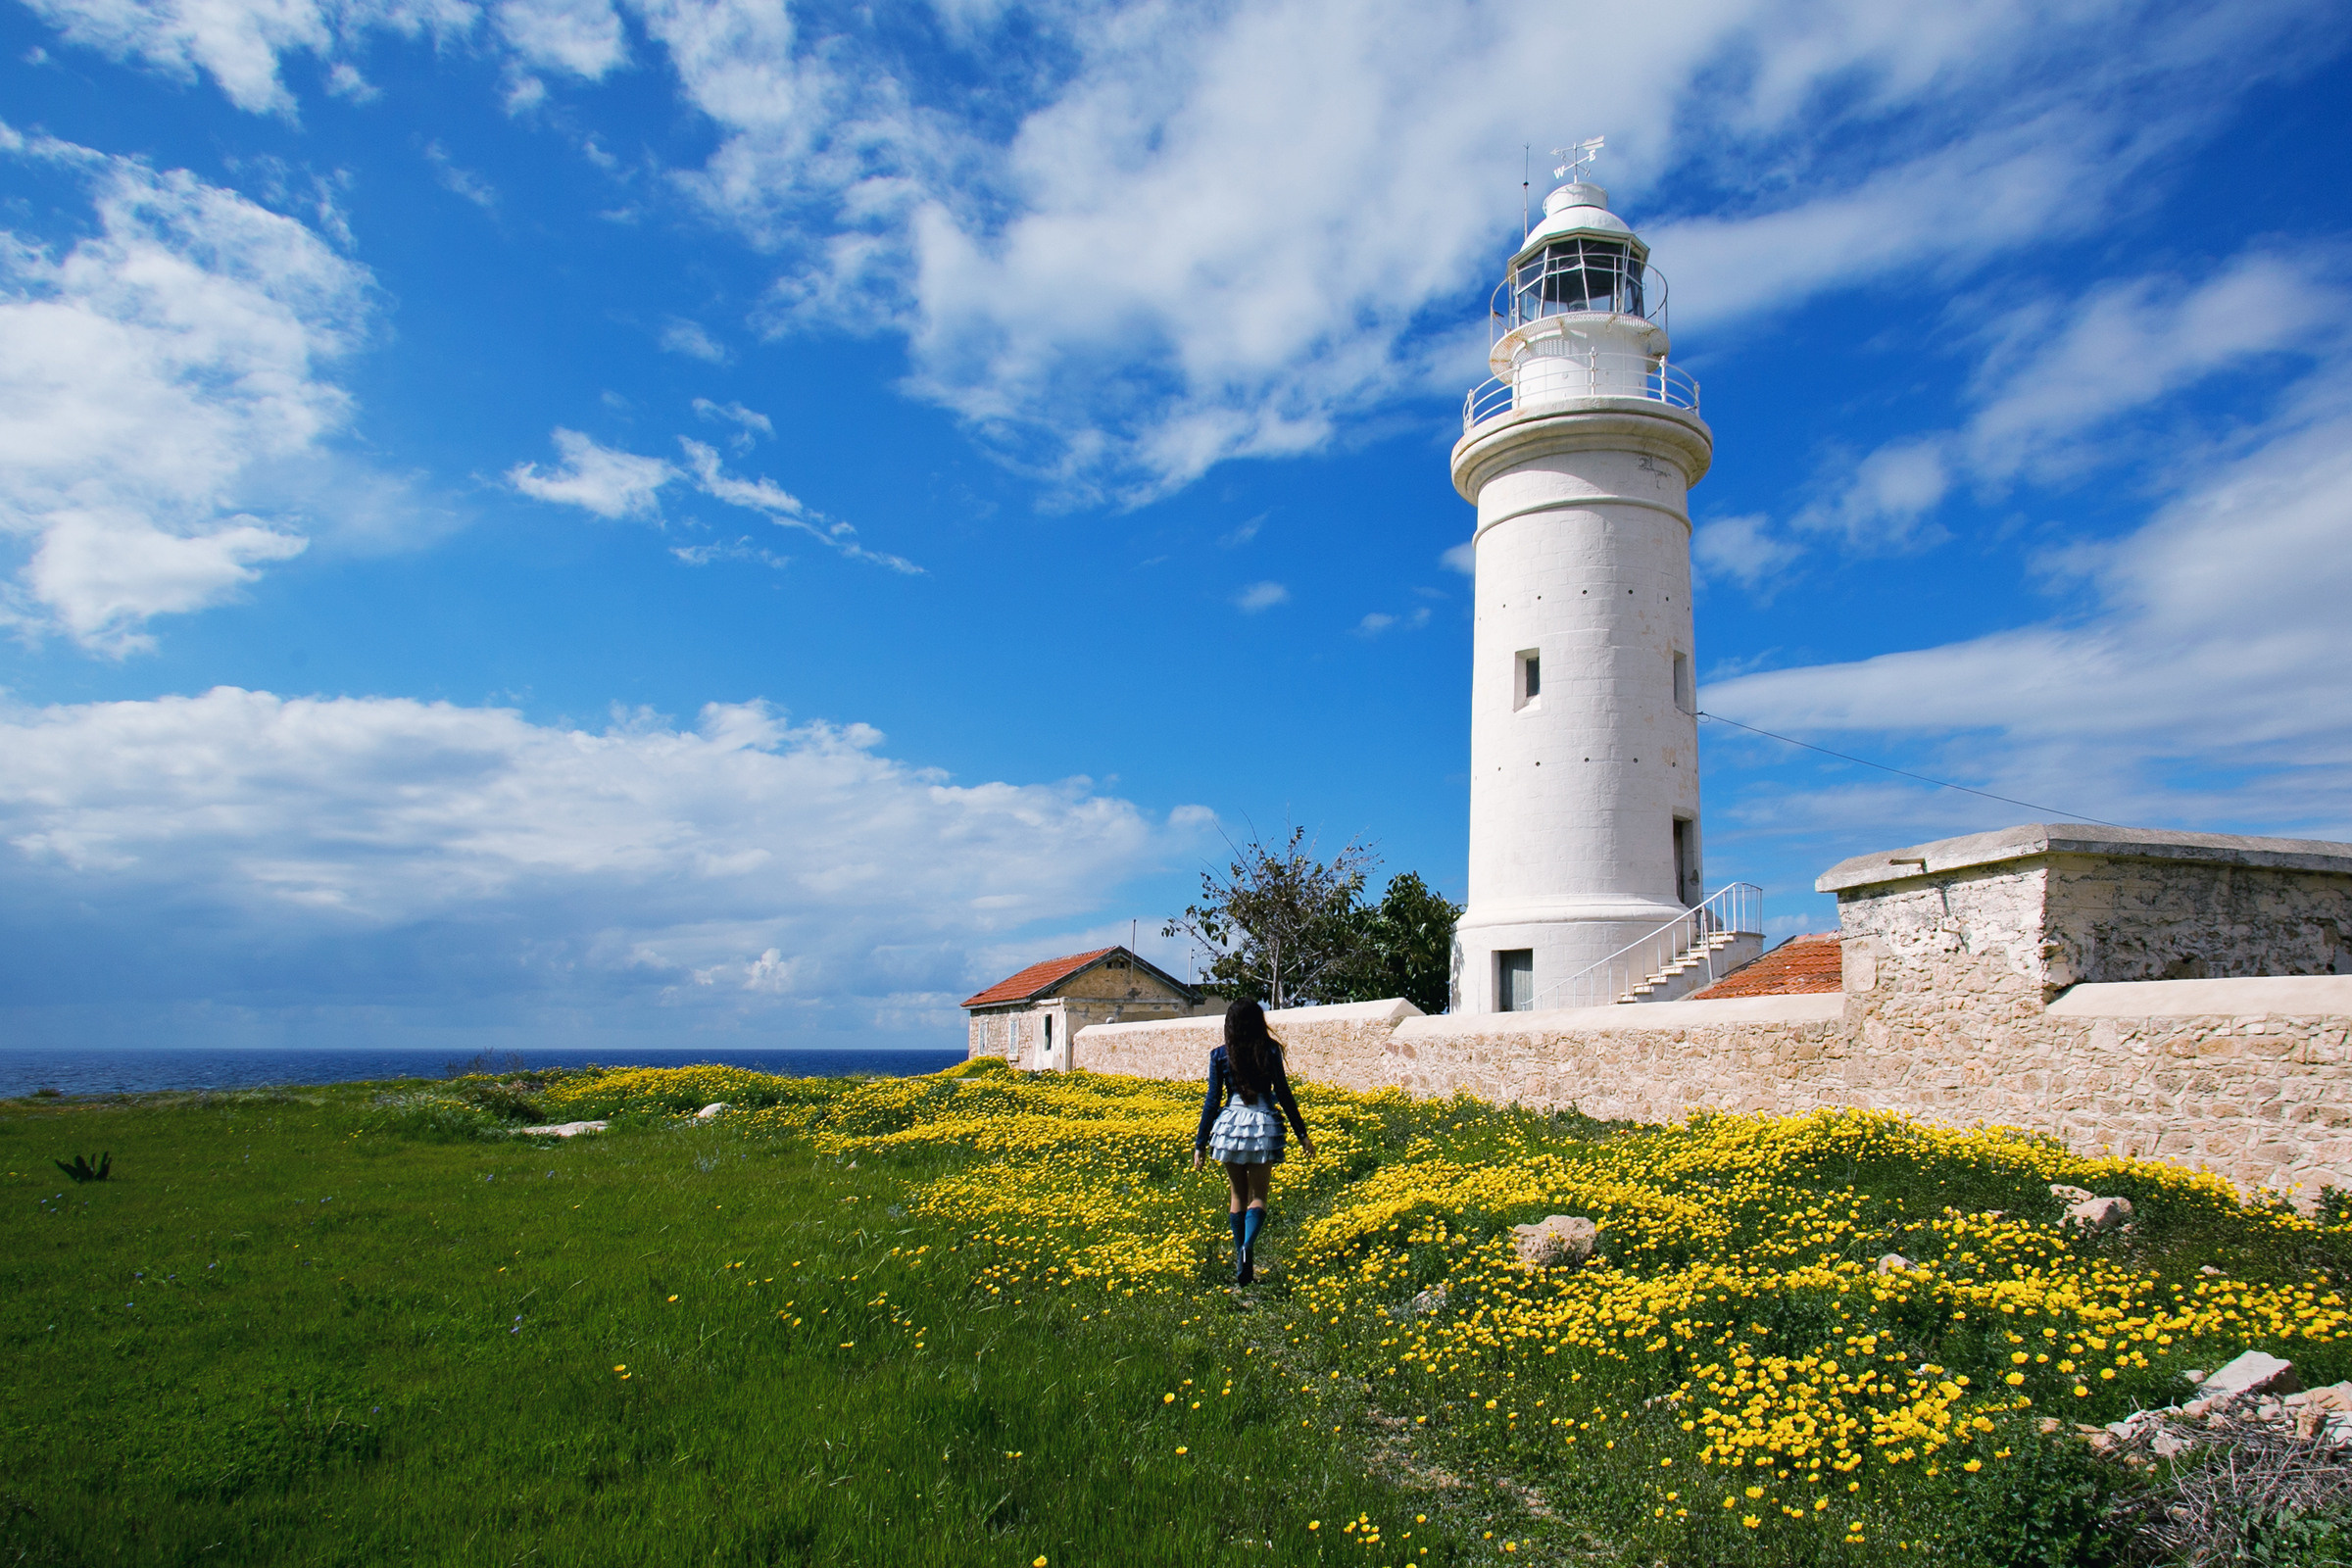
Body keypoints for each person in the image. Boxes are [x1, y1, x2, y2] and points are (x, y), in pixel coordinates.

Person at [1192, 998, 1315, 1285]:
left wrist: (1200, 1143)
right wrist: (1302, 1134)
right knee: (1258, 1196)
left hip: (1230, 1126)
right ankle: (1249, 1246)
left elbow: (1212, 1101)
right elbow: (1283, 1093)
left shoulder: (1219, 1055)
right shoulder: (1270, 1051)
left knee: (1237, 1196)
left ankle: (1240, 1257)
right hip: (1262, 1125)